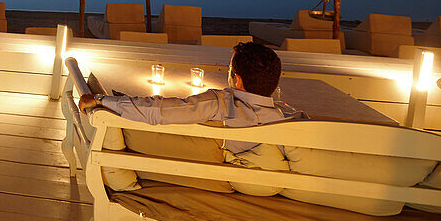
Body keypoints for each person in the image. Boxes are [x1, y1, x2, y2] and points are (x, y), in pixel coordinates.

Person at [76, 42, 305, 159]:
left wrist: (101, 100)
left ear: (237, 79)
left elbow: (159, 110)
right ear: (274, 82)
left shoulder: (221, 104)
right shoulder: (288, 119)